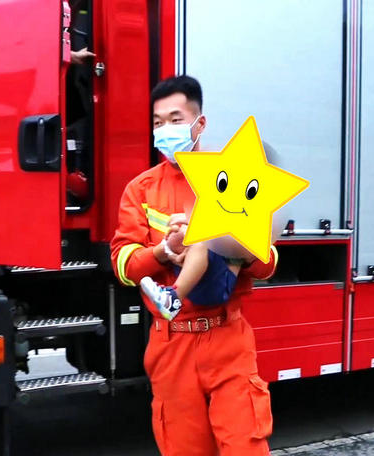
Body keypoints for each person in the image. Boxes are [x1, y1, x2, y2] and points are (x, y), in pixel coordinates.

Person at [110, 75, 277, 456]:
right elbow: (122, 265)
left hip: (227, 339)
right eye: (157, 122)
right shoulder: (141, 190)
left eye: (175, 119)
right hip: (172, 344)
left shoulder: (231, 178)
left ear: (199, 124)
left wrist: (237, 247)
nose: (165, 130)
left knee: (245, 447)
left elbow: (268, 262)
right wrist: (164, 251)